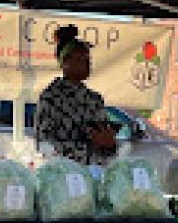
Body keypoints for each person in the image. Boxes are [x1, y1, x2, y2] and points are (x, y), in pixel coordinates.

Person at [34, 25, 117, 164]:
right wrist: (87, 148)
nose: (87, 63)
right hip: (65, 177)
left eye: (88, 59)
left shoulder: (95, 99)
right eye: (81, 58)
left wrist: (109, 143)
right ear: (65, 62)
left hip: (95, 175)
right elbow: (44, 145)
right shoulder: (51, 98)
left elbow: (108, 149)